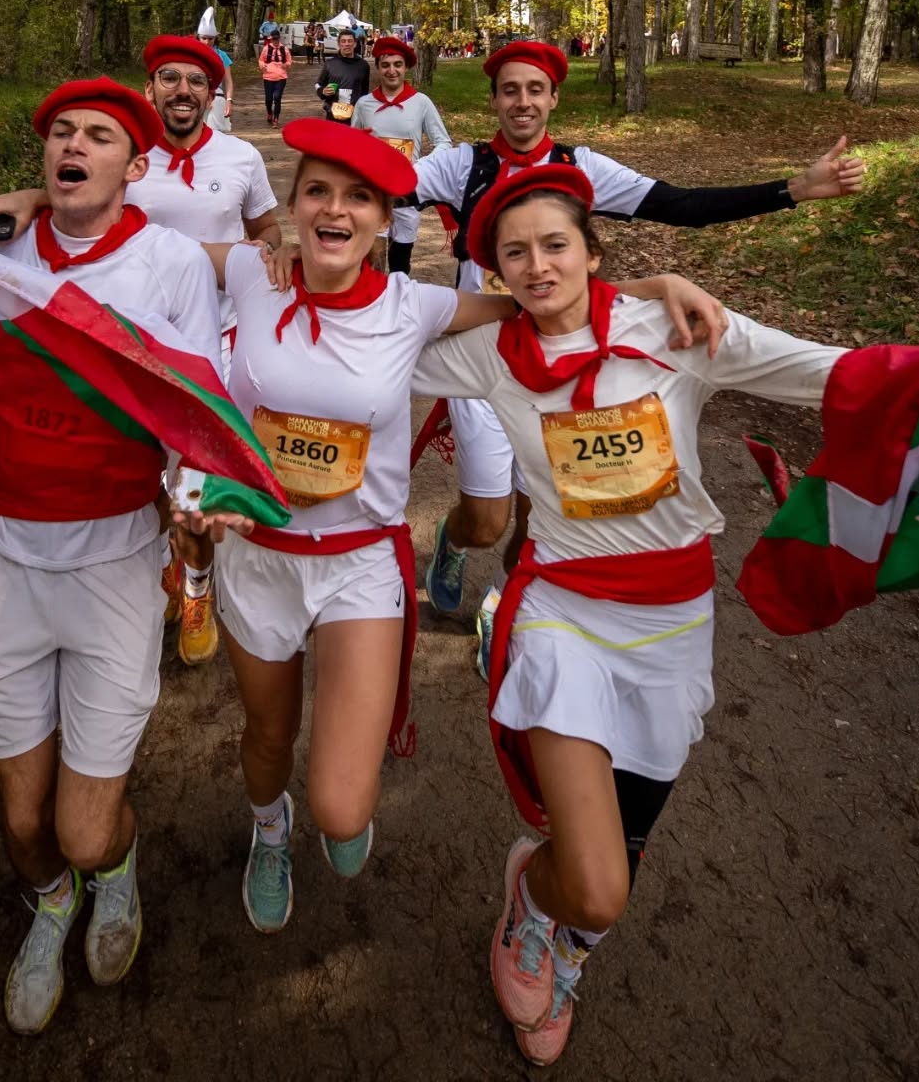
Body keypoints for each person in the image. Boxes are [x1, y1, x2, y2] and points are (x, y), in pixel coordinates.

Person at [410, 163, 919, 1066]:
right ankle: (547, 913)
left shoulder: (677, 330)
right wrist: (270, 260)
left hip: (670, 626)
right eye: (515, 254)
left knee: (624, 844)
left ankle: (555, 923)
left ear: (593, 252)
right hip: (564, 615)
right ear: (495, 271)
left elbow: (844, 376)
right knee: (602, 889)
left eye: (556, 245)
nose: (539, 266)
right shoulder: (485, 356)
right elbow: (362, 332)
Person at [177, 121, 724, 938]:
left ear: (383, 220)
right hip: (260, 558)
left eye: (359, 198)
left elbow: (542, 298)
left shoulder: (415, 303)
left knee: (343, 805)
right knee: (267, 733)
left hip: (360, 564)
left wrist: (656, 285)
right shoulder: (253, 274)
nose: (336, 210)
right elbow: (133, 244)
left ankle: (326, 810)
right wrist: (37, 197)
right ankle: (267, 828)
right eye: (318, 192)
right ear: (290, 209)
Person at [411, 39, 866, 624]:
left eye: (534, 90)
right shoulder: (461, 165)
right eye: (509, 90)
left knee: (541, 511)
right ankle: (456, 541)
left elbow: (683, 206)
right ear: (495, 99)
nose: (521, 102)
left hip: (565, 357)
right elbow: (383, 187)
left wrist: (793, 191)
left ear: (553, 98)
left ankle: (509, 601)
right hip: (489, 354)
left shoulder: (583, 167)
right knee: (488, 519)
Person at [0, 77, 224, 1035]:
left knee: (81, 826)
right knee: (25, 829)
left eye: (97, 135)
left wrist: (196, 518)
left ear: (135, 166)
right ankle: (54, 901)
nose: (72, 145)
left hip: (113, 568)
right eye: (60, 134)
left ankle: (113, 873)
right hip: (2, 568)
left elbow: (199, 409)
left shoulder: (173, 264)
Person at [0, 36, 284, 668]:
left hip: (208, 338)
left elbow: (264, 231)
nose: (182, 91)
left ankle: (195, 584)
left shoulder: (242, 157)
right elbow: (73, 206)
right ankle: (147, 569)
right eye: (169, 78)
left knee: (192, 488)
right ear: (152, 90)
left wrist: (272, 257)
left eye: (196, 81)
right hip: (119, 342)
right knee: (136, 476)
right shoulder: (120, 153)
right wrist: (31, 199)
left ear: (213, 94)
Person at [349, 34, 451, 275]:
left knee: (400, 263)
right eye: (385, 65)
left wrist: (420, 167)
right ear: (378, 68)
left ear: (406, 67)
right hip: (373, 192)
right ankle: (372, 307)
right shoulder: (364, 104)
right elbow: (353, 144)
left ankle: (398, 306)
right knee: (372, 263)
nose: (392, 71)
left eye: (397, 65)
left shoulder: (421, 103)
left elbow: (444, 142)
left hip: (406, 193)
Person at [314, 26, 371, 122]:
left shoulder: (363, 65)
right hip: (333, 115)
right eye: (343, 41)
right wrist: (322, 91)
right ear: (339, 44)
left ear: (355, 44)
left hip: (355, 116)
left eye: (350, 41)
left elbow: (365, 92)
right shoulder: (330, 64)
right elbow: (318, 84)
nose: (347, 44)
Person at [196, 6, 234, 132]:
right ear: (199, 37)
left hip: (217, 98)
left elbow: (228, 81)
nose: (207, 42)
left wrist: (229, 101)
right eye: (204, 38)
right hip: (196, 99)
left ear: (215, 38)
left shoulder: (221, 55)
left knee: (216, 135)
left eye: (210, 39)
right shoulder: (193, 55)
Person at [259, 30, 293, 127]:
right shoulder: (266, 49)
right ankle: (270, 112)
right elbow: (261, 60)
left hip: (281, 77)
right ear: (271, 39)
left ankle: (276, 119)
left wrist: (286, 65)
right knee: (268, 99)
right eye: (273, 39)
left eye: (277, 39)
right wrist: (262, 66)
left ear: (279, 38)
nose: (275, 41)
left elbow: (289, 61)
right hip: (268, 77)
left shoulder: (284, 49)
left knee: (277, 98)